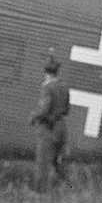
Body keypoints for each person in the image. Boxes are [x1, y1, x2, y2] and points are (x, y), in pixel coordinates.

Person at [30, 57, 71, 192]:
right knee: (58, 161)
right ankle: (65, 188)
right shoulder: (64, 87)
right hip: (61, 127)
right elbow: (66, 110)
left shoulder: (47, 87)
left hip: (48, 127)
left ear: (45, 72)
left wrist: (34, 116)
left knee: (42, 162)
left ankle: (39, 191)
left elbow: (44, 109)